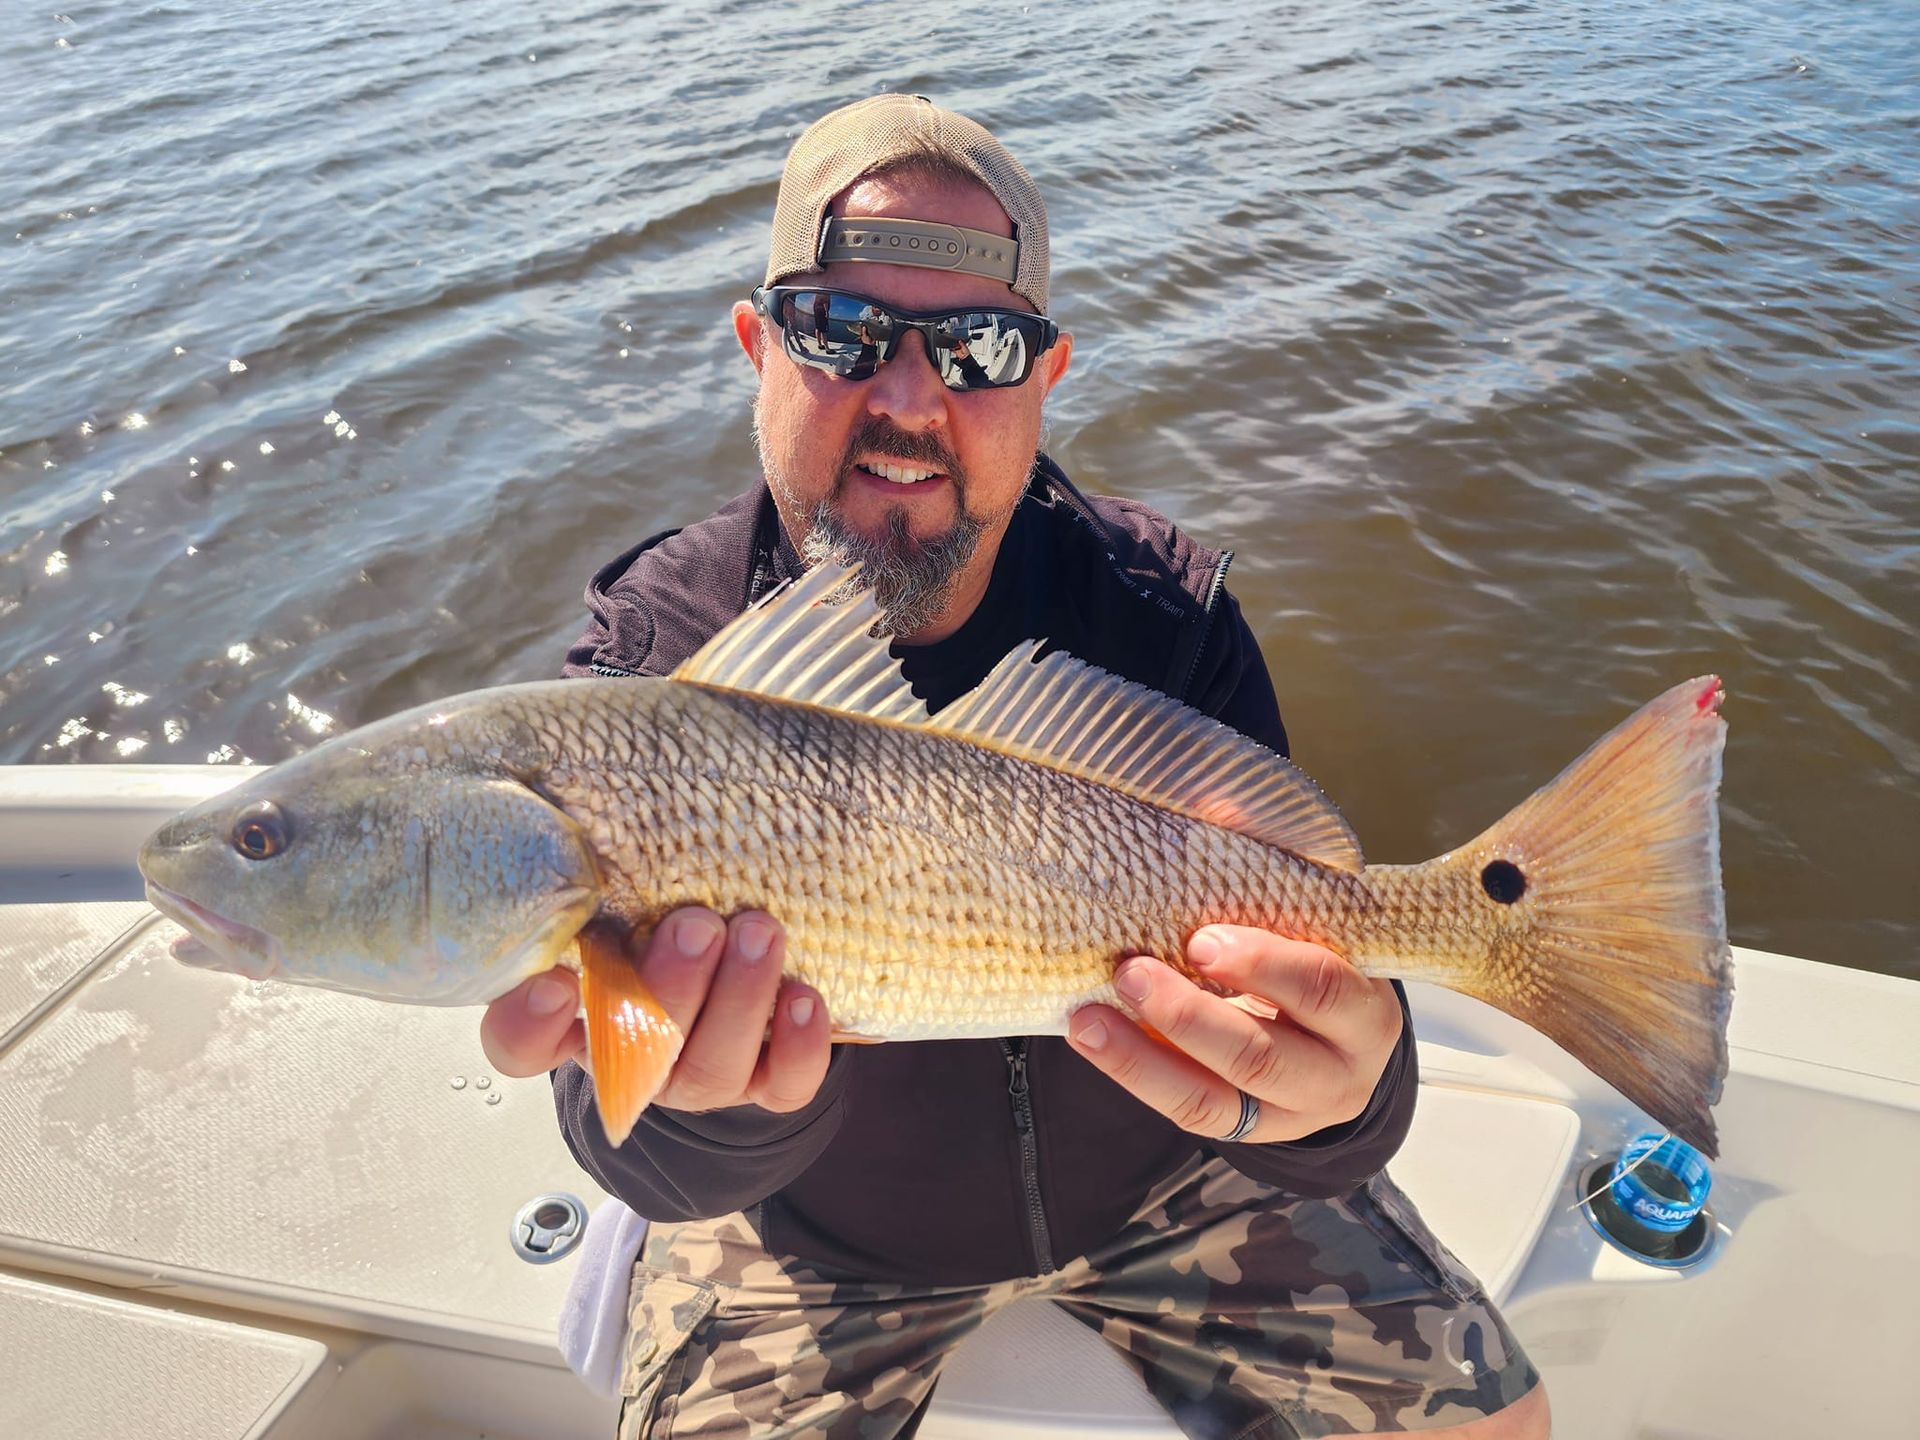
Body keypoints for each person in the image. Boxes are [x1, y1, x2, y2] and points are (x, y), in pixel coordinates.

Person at [482, 94, 1549, 1440]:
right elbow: (629, 1134)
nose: (910, 400)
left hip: (1179, 1182)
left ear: (1045, 378)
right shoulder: (650, 665)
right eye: (841, 333)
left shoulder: (1165, 612)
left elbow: (1310, 948)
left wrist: (1351, 1093)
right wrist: (722, 1117)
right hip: (821, 1245)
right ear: (758, 348)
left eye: (981, 347)